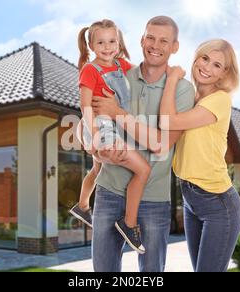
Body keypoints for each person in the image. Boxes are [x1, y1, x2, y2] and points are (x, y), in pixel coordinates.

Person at [90, 16, 194, 272]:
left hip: (154, 198)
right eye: (150, 37)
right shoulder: (118, 76)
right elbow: (94, 120)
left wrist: (119, 113)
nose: (155, 45)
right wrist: (95, 145)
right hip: (109, 191)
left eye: (163, 41)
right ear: (141, 40)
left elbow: (161, 143)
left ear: (175, 47)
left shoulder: (182, 90)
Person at [159, 39, 240, 272]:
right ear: (196, 58)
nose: (207, 67)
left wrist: (173, 79)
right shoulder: (190, 98)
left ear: (224, 73)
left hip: (218, 202)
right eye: (205, 58)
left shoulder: (220, 100)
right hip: (190, 197)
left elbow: (168, 121)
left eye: (217, 65)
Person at [69, 19, 151, 254]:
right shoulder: (90, 69)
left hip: (114, 123)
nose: (107, 47)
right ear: (91, 45)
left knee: (97, 171)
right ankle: (129, 223)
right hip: (99, 125)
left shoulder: (121, 65)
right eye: (101, 42)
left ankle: (83, 205)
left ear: (119, 42)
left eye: (112, 41)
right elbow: (85, 105)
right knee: (143, 169)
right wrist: (93, 136)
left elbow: (143, 75)